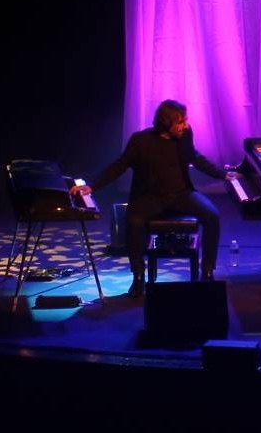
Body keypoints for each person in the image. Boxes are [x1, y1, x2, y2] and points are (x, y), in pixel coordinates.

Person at [83, 99, 238, 296]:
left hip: (182, 194)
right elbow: (119, 165)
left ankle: (207, 270)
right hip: (150, 197)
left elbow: (195, 158)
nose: (186, 125)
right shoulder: (140, 141)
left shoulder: (185, 136)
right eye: (181, 122)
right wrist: (93, 186)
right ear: (166, 123)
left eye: (186, 120)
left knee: (212, 216)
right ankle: (138, 276)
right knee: (134, 220)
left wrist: (222, 174)